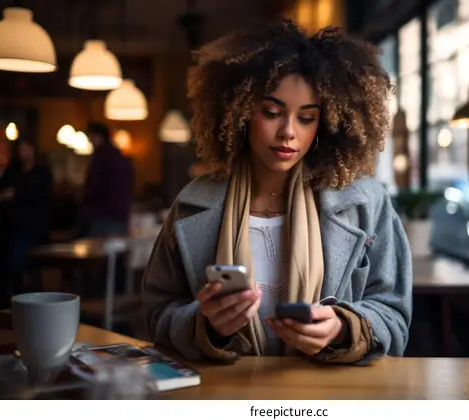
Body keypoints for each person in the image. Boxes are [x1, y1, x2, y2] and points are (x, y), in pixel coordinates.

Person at [142, 19, 413, 365]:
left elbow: (395, 315)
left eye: (306, 118)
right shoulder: (194, 203)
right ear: (239, 112)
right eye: (271, 112)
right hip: (226, 397)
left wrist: (344, 328)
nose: (288, 132)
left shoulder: (365, 202)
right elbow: (156, 312)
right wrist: (205, 324)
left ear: (327, 123)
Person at [0, 139, 53, 297]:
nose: (23, 152)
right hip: (9, 226)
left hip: (32, 227)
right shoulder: (13, 170)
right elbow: (1, 189)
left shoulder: (41, 172)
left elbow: (45, 196)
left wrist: (17, 194)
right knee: (8, 266)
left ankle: (29, 299)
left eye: (27, 148)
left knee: (22, 264)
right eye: (21, 149)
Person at [78, 122, 134, 238]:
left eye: (90, 137)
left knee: (97, 251)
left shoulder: (101, 157)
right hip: (120, 214)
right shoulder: (120, 156)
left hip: (103, 214)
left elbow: (94, 185)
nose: (89, 141)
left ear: (98, 136)